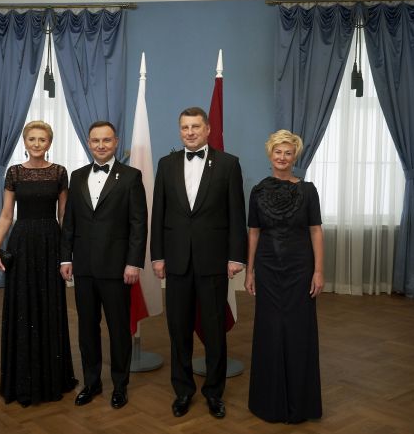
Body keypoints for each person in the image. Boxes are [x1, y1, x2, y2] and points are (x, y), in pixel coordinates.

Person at [150, 106, 247, 419]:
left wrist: (236, 256)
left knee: (215, 330)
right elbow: (158, 213)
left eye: (195, 126)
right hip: (176, 261)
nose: (190, 132)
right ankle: (183, 391)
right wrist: (157, 256)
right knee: (178, 329)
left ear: (207, 129)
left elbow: (237, 214)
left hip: (214, 261)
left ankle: (214, 393)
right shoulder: (166, 164)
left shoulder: (229, 164)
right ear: (180, 131)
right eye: (184, 127)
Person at [60, 121, 147, 410]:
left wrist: (133, 263)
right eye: (95, 140)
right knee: (87, 328)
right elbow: (69, 222)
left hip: (117, 268)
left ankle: (120, 386)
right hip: (84, 267)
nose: (100, 145)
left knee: (119, 330)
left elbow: (138, 225)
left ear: (116, 142)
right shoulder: (77, 176)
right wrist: (66, 257)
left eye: (106, 140)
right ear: (88, 142)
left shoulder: (131, 177)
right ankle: (92, 382)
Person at [0, 120, 77, 407]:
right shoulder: (14, 172)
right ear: (25, 142)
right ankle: (22, 380)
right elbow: (6, 214)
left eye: (42, 139)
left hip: (51, 242)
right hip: (22, 243)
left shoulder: (59, 172)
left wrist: (67, 253)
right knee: (22, 306)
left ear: (49, 143)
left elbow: (64, 216)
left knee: (50, 304)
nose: (37, 144)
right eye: (32, 139)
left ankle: (52, 378)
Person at [244, 129, 324, 424]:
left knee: (298, 331)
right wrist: (249, 271)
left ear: (294, 157)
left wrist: (318, 271)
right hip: (267, 269)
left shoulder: (308, 191)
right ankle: (270, 403)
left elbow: (316, 231)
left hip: (300, 269)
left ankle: (300, 404)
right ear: (270, 155)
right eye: (278, 152)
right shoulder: (258, 191)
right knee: (270, 330)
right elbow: (254, 233)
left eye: (288, 153)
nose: (282, 157)